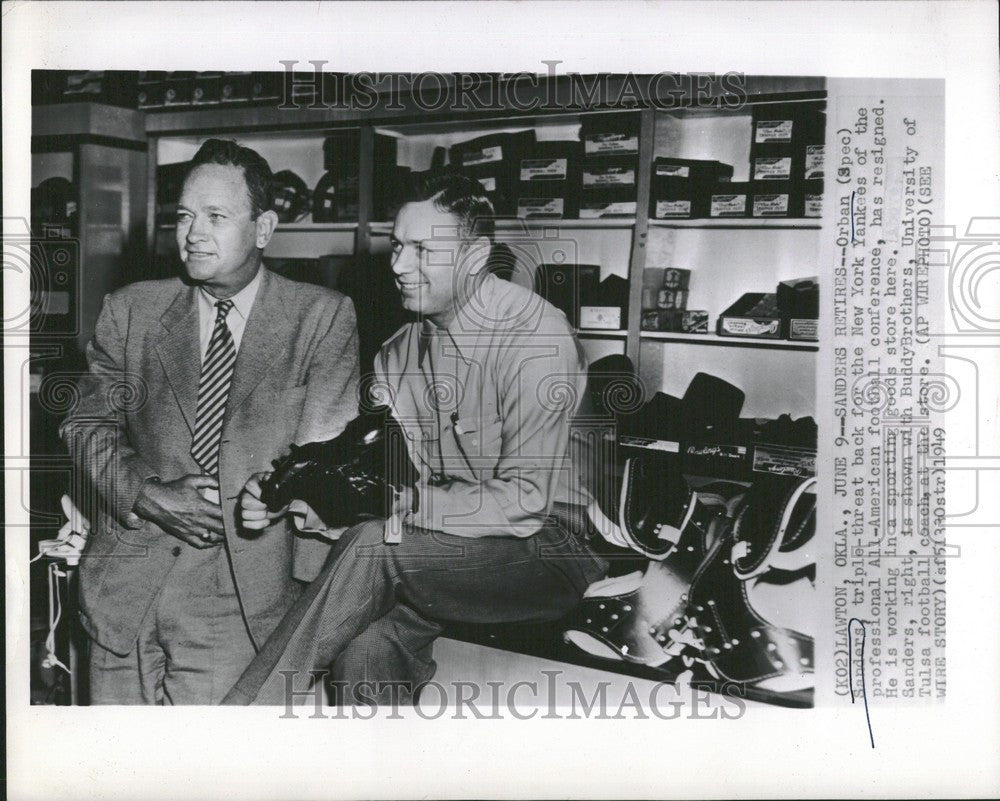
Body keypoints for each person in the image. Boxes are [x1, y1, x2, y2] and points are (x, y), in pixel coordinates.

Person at [225, 173, 608, 706]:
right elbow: (395, 482)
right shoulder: (399, 352)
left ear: (477, 257)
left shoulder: (535, 337)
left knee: (377, 542)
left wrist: (397, 507)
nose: (399, 266)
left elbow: (523, 503)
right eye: (398, 246)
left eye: (424, 250)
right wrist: (309, 502)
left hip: (552, 549)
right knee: (364, 646)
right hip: (445, 549)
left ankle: (240, 721)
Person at [61, 139, 360, 704]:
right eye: (184, 216)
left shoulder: (320, 318)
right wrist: (146, 493)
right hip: (125, 587)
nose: (193, 233)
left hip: (243, 596)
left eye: (216, 217)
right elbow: (86, 425)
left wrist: (275, 498)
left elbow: (329, 463)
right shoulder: (132, 310)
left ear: (264, 228)